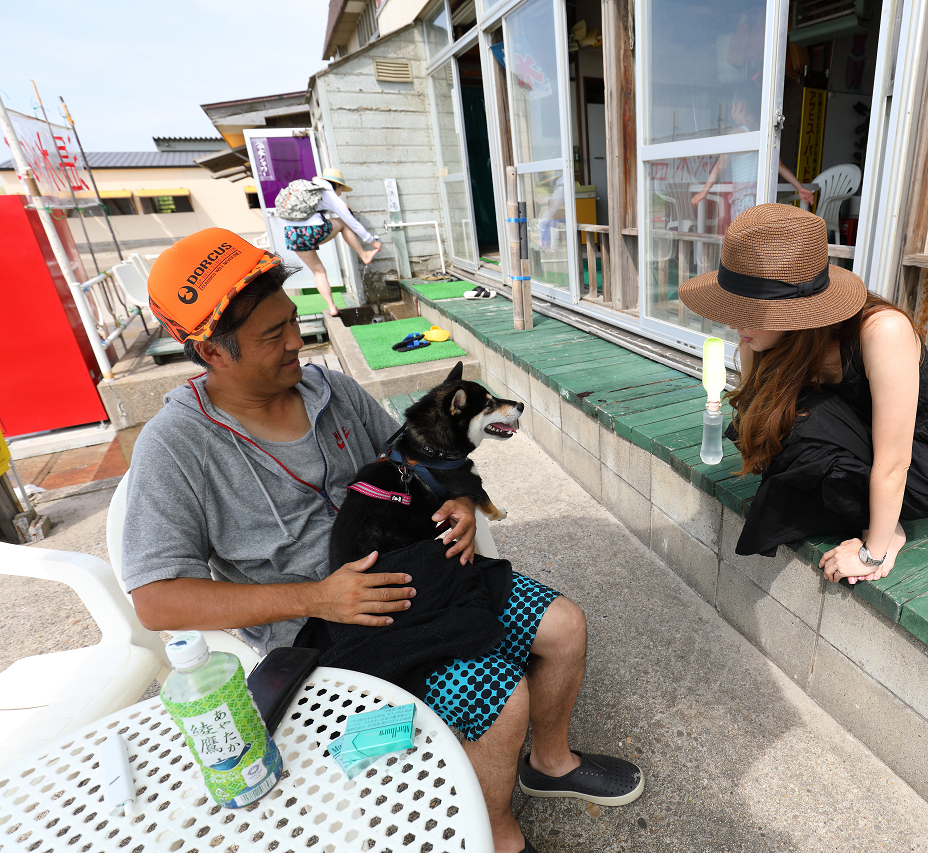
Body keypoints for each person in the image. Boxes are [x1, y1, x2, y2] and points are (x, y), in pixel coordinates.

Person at [129, 228, 642, 853]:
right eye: (273, 334)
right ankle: (497, 835)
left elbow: (418, 459)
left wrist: (458, 500)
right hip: (324, 630)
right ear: (213, 352)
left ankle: (550, 762)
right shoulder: (175, 447)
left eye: (292, 320)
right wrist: (318, 597)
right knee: (500, 700)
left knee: (564, 627)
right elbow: (156, 599)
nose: (296, 341)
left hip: (423, 569)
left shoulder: (331, 390)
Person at [678, 204, 928, 583]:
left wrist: (874, 552)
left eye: (748, 310)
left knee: (806, 425)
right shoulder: (767, 340)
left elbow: (894, 462)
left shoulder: (882, 331)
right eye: (734, 306)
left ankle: (890, 526)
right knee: (766, 417)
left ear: (793, 311)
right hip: (860, 440)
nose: (731, 322)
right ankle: (870, 509)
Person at [691, 88, 815, 218]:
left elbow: (720, 165)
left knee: (743, 231)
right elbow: (780, 165)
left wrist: (704, 191)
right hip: (762, 199)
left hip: (743, 200)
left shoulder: (737, 133)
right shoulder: (762, 134)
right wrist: (799, 187)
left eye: (732, 106)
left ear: (739, 106)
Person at [284, 167, 382, 317]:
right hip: (312, 231)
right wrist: (371, 241)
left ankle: (332, 307)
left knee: (318, 272)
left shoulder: (308, 189)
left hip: (292, 234)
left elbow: (313, 211)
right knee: (343, 223)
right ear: (336, 185)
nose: (341, 193)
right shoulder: (328, 193)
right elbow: (351, 221)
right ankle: (364, 255)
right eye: (341, 189)